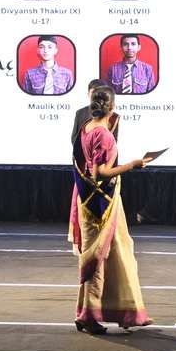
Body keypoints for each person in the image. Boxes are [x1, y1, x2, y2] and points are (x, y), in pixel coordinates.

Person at [72, 85, 154, 333]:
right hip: (101, 205)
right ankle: (88, 315)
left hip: (92, 201)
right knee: (98, 257)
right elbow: (101, 173)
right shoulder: (104, 135)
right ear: (113, 105)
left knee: (118, 250)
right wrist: (133, 164)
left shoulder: (86, 127)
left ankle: (126, 311)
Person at [68, 79, 116, 244]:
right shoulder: (86, 119)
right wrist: (132, 165)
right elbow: (75, 141)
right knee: (93, 223)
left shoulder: (111, 119)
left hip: (102, 167)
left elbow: (112, 145)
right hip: (88, 171)